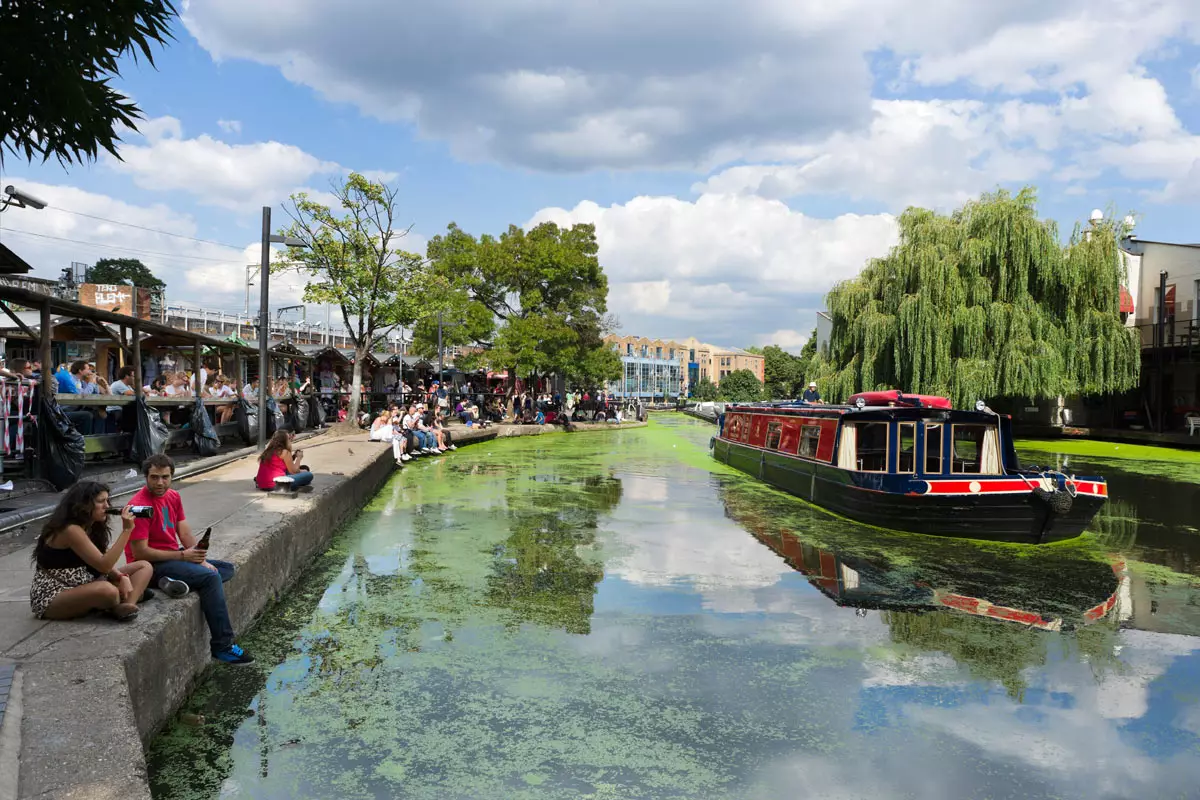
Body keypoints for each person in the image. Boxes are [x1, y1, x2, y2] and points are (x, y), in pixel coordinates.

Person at [126, 454, 254, 664]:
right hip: (149, 565)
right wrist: (183, 556)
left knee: (226, 568)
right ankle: (223, 646)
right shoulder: (139, 506)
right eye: (154, 477)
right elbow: (140, 553)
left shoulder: (173, 496)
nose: (160, 483)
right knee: (210, 579)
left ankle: (172, 582)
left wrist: (198, 557)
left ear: (172, 476)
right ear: (146, 477)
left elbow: (184, 532)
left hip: (173, 557)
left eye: (165, 477)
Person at [30, 482, 152, 621]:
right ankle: (123, 599)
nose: (107, 506)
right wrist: (127, 530)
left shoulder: (92, 525)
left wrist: (121, 577)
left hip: (87, 581)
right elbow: (104, 565)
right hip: (56, 594)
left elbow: (101, 561)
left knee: (144, 566)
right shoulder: (70, 530)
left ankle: (126, 607)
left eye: (107, 500)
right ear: (83, 505)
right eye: (101, 501)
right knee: (107, 591)